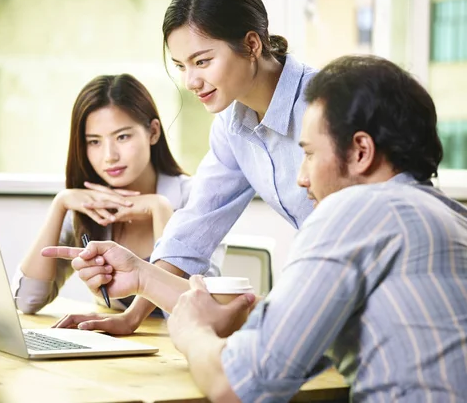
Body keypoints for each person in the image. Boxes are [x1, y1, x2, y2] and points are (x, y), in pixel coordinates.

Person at [47, 55, 467, 401]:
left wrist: (192, 333)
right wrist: (143, 276)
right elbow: (291, 326)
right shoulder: (446, 217)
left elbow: (239, 384)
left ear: (360, 151)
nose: (301, 179)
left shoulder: (356, 210)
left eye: (307, 155)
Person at [49, 0, 317, 333]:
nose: (190, 81)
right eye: (181, 66)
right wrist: (130, 317)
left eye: (202, 61)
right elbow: (192, 230)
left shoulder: (325, 102)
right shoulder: (231, 125)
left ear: (252, 44)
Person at [11, 73, 190, 315]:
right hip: (123, 345)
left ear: (153, 132)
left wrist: (159, 209)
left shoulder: (193, 198)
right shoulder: (88, 207)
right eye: (94, 142)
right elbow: (27, 301)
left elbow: (191, 308)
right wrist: (60, 204)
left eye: (122, 137)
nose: (109, 156)